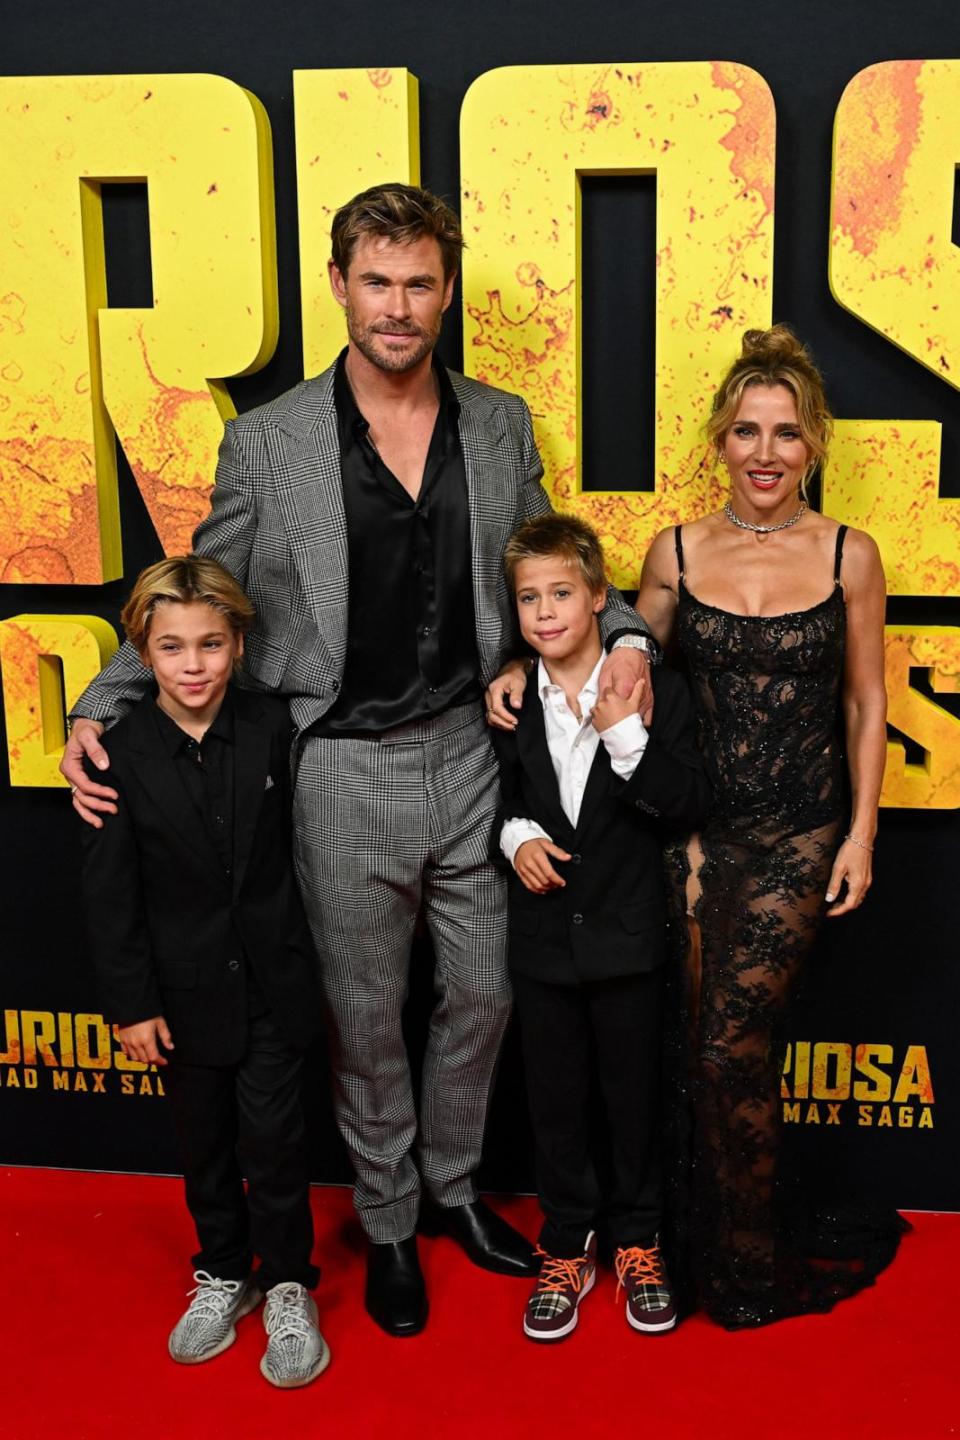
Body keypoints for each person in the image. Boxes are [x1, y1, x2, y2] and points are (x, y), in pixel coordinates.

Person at [60, 183, 656, 1338]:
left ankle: (451, 1189)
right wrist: (110, 694)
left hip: (473, 754)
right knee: (367, 1014)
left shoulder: (496, 420)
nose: (398, 305)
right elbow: (206, 581)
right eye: (377, 281)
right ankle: (388, 1225)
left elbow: (553, 563)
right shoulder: (270, 439)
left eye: (420, 282)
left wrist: (624, 634)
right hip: (336, 766)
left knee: (483, 995)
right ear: (339, 284)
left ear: (445, 293)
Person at [634, 325, 905, 1326]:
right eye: (746, 431)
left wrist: (862, 833)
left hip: (800, 832)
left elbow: (867, 705)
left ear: (814, 445)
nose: (764, 453)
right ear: (719, 440)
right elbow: (623, 664)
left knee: (733, 1048)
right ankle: (684, 1248)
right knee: (692, 1043)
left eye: (786, 434)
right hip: (695, 835)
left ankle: (748, 1260)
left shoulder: (849, 553)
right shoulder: (673, 551)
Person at [80, 556, 328, 1387]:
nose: (194, 665)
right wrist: (130, 1005)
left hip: (274, 984)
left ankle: (290, 1280)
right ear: (143, 653)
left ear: (239, 644)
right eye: (174, 647)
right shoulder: (115, 755)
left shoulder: (274, 728)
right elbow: (111, 898)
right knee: (206, 1145)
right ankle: (225, 1270)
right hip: (181, 998)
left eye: (212, 644)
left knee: (279, 1141)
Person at [491, 514, 710, 1342]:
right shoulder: (511, 705)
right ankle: (565, 1243)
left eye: (560, 594)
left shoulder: (661, 694)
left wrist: (625, 736)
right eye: (528, 599)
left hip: (627, 942)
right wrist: (515, 840)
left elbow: (687, 801)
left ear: (598, 598)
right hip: (543, 945)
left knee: (632, 1096)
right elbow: (504, 804)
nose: (545, 612)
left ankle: (639, 1240)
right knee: (556, 1102)